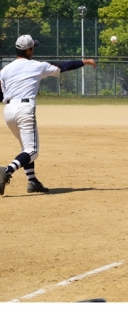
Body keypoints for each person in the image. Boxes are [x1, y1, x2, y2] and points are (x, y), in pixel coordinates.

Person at [0, 35, 97, 195]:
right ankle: (6, 171)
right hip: (24, 109)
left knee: (26, 148)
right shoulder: (37, 66)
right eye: (33, 48)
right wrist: (85, 61)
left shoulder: (5, 70)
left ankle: (32, 181)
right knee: (32, 152)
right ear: (28, 51)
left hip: (8, 111)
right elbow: (63, 66)